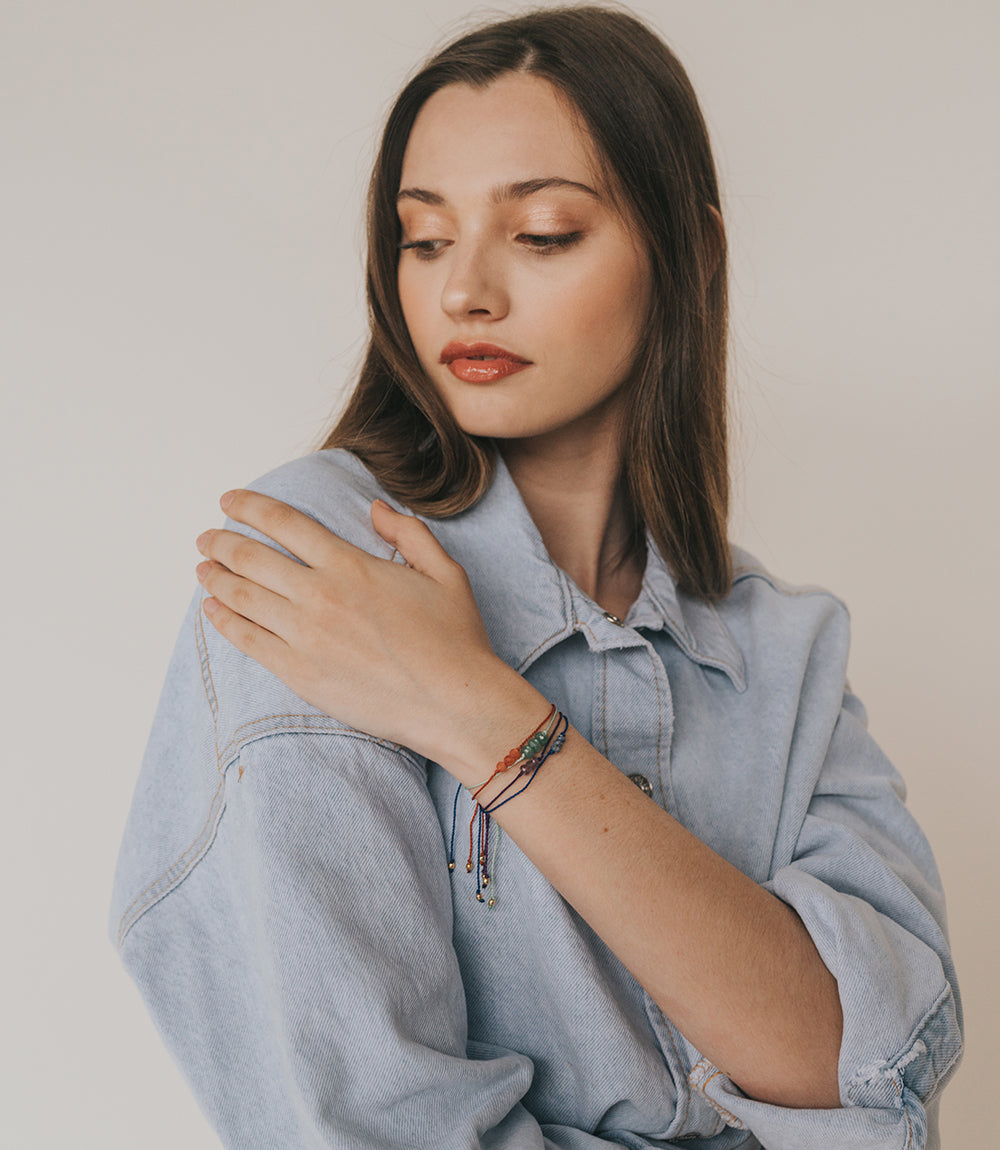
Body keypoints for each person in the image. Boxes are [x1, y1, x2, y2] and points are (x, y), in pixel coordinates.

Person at [110, 7, 962, 1148]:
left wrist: (483, 717)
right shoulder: (318, 565)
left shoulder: (782, 648)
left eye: (543, 232)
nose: (464, 291)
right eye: (422, 239)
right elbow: (357, 1118)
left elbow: (867, 1061)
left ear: (690, 254)